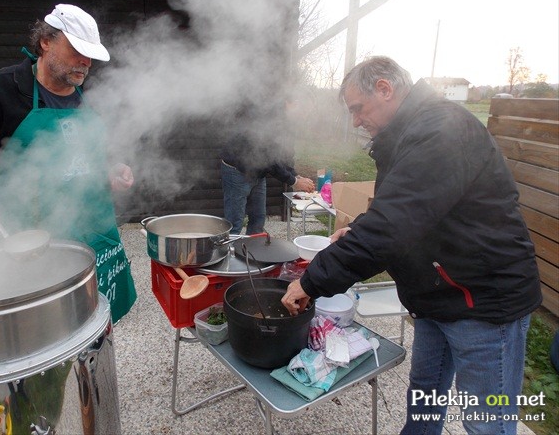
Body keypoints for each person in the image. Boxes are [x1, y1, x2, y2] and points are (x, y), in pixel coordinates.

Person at [281, 56, 542, 435]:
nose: (355, 120)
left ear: (385, 88)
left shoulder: (441, 130)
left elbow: (392, 226)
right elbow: (404, 210)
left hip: (484, 300)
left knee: (487, 423)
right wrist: (355, 234)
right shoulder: (408, 133)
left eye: (357, 108)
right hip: (438, 293)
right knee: (424, 396)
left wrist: (311, 281)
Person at [0, 3, 137, 324]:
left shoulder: (83, 96)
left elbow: (84, 151)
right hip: (32, 241)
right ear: (45, 41)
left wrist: (109, 167)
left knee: (94, 322)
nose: (86, 62)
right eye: (77, 50)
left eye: (91, 56)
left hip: (95, 231)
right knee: (44, 329)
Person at [220, 102, 314, 235]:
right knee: (235, 223)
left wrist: (295, 175)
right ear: (292, 103)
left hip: (258, 172)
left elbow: (285, 153)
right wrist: (294, 182)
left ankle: (251, 254)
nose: (304, 116)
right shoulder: (269, 116)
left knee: (258, 219)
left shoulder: (288, 122)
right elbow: (269, 159)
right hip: (236, 171)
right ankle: (229, 254)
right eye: (303, 111)